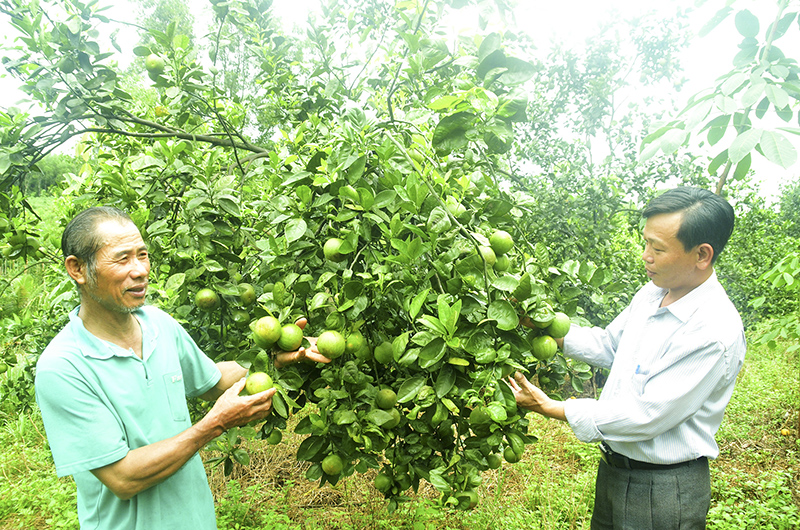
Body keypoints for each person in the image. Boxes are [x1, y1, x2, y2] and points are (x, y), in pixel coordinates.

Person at [34, 206, 328, 529]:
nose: (140, 270)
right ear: (77, 269)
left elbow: (214, 381)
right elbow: (123, 477)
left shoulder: (159, 325)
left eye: (142, 255)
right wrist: (214, 424)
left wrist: (276, 357)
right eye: (123, 259)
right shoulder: (62, 367)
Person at [508, 187, 746, 529]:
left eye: (658, 248)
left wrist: (554, 408)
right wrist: (550, 330)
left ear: (702, 255)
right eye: (646, 242)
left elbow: (647, 415)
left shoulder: (713, 331)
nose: (645, 256)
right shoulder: (653, 293)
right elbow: (610, 345)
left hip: (664, 487)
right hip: (615, 472)